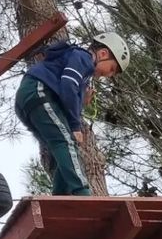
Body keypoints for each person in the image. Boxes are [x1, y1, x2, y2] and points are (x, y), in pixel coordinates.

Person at [14, 30, 130, 196]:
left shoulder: (82, 69)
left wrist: (82, 99)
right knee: (66, 141)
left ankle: (61, 195)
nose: (109, 75)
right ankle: (81, 192)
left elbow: (68, 91)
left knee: (62, 146)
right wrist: (75, 125)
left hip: (29, 100)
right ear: (103, 53)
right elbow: (68, 84)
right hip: (38, 91)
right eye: (111, 69)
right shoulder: (83, 58)